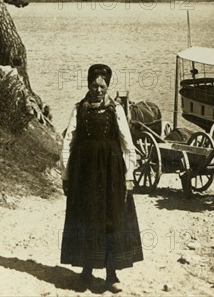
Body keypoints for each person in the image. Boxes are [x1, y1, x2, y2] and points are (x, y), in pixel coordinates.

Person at [60, 64, 143, 293]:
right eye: (94, 86)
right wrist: (66, 174)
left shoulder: (115, 110)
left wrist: (129, 176)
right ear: (88, 85)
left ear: (108, 87)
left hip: (111, 173)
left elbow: (128, 144)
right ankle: (86, 272)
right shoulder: (79, 109)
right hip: (84, 174)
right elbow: (68, 141)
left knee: (111, 219)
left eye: (102, 86)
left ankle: (111, 274)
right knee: (86, 219)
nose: (98, 90)